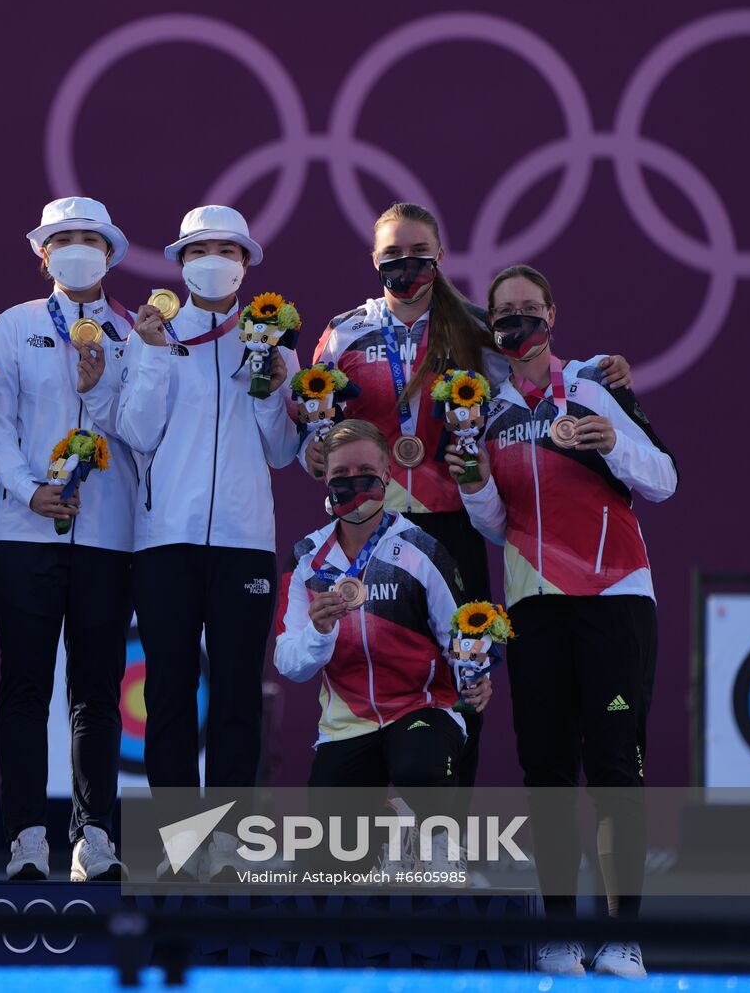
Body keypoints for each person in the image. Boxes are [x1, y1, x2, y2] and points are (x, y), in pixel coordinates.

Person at [304, 202, 634, 794]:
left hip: (450, 523)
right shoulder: (343, 331)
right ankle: (371, 833)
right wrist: (314, 446)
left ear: (440, 255)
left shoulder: (476, 328)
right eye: (393, 256)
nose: (406, 264)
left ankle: (443, 833)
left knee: (466, 668)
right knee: (366, 663)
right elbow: (314, 426)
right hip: (365, 529)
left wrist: (604, 369)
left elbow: (541, 382)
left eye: (418, 252)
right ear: (374, 260)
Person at [450, 264, 677, 978]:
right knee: (546, 768)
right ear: (493, 327)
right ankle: (555, 933)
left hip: (616, 598)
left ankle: (620, 937)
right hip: (536, 606)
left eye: (529, 308)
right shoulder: (485, 411)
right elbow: (495, 525)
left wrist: (611, 438)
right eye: (504, 313)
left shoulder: (594, 385)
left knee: (614, 765)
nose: (517, 321)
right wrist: (474, 482)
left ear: (553, 312)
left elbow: (663, 478)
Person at [115, 205, 300, 878]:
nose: (212, 261)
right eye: (198, 250)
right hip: (165, 539)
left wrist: (273, 390)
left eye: (225, 250)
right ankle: (177, 837)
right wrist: (158, 356)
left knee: (236, 695)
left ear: (246, 264)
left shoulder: (275, 341)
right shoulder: (156, 332)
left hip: (245, 542)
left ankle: (227, 838)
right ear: (181, 262)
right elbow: (136, 430)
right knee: (168, 690)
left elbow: (282, 451)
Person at [0, 197, 136, 882]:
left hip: (107, 535)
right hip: (25, 531)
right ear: (42, 254)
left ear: (109, 254)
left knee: (96, 690)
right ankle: (24, 837)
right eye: (63, 239)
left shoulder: (135, 332)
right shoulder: (12, 327)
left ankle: (95, 834)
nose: (78, 250)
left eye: (90, 240)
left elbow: (142, 428)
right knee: (24, 685)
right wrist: (26, 489)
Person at [275, 420, 490, 872]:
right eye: (341, 476)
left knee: (421, 768)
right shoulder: (305, 558)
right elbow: (289, 662)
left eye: (366, 473)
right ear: (324, 479)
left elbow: (461, 633)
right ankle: (390, 827)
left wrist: (479, 676)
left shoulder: (420, 548)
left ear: (389, 476)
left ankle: (435, 838)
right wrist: (317, 632)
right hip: (347, 725)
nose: (354, 486)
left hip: (420, 708)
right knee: (331, 862)